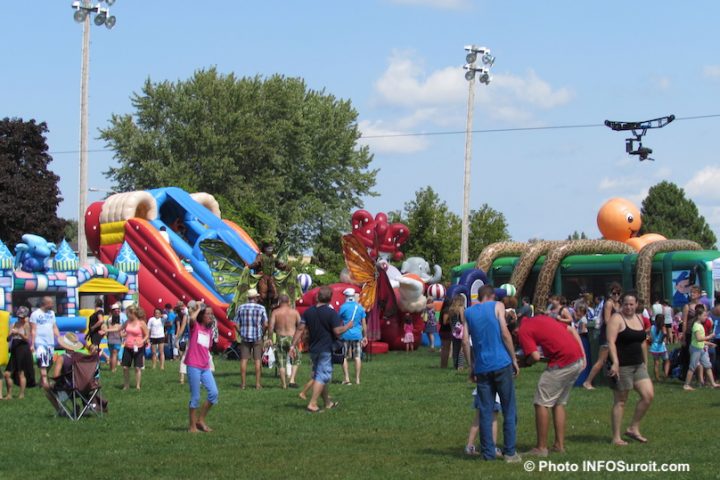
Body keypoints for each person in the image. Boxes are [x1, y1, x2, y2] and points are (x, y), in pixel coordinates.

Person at [462, 285, 521, 463]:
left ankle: (488, 454)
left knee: (486, 411)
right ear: (492, 295)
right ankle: (510, 452)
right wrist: (514, 359)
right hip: (501, 362)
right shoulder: (498, 306)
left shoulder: (467, 312)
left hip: (482, 366)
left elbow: (465, 341)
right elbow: (504, 333)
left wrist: (471, 366)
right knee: (508, 408)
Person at [517, 314, 585, 456]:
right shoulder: (542, 318)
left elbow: (534, 356)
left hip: (563, 362)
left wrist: (523, 363)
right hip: (576, 359)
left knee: (541, 403)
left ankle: (541, 448)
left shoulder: (523, 329)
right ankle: (559, 445)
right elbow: (571, 330)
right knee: (558, 402)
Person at [290, 286, 354, 413]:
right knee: (323, 375)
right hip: (326, 348)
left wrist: (292, 345)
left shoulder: (308, 312)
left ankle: (327, 403)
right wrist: (347, 326)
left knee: (319, 374)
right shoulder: (331, 313)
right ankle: (312, 404)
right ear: (330, 299)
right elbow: (337, 331)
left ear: (317, 297)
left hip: (313, 349)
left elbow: (300, 329)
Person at [606, 290, 654, 445]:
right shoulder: (616, 318)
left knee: (648, 395)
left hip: (638, 364)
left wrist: (645, 363)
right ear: (622, 304)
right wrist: (615, 362)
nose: (628, 307)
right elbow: (611, 342)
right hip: (622, 366)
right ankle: (616, 437)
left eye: (631, 304)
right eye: (625, 304)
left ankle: (633, 427)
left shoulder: (640, 318)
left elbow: (642, 342)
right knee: (621, 400)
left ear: (637, 305)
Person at [184, 301, 219, 433]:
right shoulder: (195, 327)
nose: (211, 316)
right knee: (196, 397)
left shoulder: (209, 330)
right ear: (202, 315)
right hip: (193, 365)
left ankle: (200, 420)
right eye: (208, 314)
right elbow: (192, 318)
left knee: (214, 393)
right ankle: (192, 427)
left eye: (212, 314)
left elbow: (206, 348)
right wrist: (198, 308)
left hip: (205, 366)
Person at [583, 283, 622, 390]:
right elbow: (607, 320)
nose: (616, 295)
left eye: (618, 293)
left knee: (617, 359)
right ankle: (587, 382)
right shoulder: (609, 304)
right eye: (614, 293)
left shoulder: (618, 304)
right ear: (610, 293)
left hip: (617, 336)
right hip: (607, 336)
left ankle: (617, 381)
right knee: (601, 361)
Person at [234, 288, 268, 390]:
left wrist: (241, 332)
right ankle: (258, 384)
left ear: (248, 297)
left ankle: (243, 384)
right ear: (256, 297)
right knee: (257, 360)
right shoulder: (261, 308)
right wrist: (263, 333)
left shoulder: (241, 307)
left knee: (244, 360)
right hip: (257, 336)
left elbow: (235, 324)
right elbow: (265, 324)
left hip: (244, 337)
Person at [268, 294, 302, 389]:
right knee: (296, 359)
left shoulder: (275, 312)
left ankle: (283, 384)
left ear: (279, 302)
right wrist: (300, 337)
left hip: (280, 338)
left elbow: (271, 326)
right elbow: (300, 325)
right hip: (292, 338)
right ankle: (292, 379)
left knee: (281, 361)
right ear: (288, 302)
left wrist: (270, 338)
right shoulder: (294, 312)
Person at [683, 304, 719, 390]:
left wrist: (709, 344)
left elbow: (700, 340)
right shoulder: (696, 326)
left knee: (708, 365)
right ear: (699, 316)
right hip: (696, 349)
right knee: (692, 366)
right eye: (704, 316)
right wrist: (710, 337)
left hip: (701, 348)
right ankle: (686, 385)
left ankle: (713, 383)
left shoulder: (700, 325)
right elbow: (699, 339)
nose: (706, 317)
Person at [3, 306, 35, 399]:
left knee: (21, 373)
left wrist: (19, 333)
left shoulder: (26, 325)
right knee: (7, 374)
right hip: (15, 349)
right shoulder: (13, 324)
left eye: (22, 317)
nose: (20, 319)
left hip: (23, 349)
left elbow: (27, 338)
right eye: (19, 317)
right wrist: (11, 334)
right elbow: (7, 339)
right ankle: (9, 394)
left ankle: (21, 394)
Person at [29, 296, 60, 389]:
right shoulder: (35, 314)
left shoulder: (51, 314)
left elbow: (54, 327)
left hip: (50, 342)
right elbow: (33, 330)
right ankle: (45, 383)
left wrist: (60, 338)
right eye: (50, 303)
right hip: (40, 342)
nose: (52, 304)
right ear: (45, 303)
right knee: (43, 362)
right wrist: (32, 344)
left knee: (49, 363)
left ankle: (41, 382)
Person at [338, 289, 367, 385]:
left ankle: (347, 378)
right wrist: (365, 336)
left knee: (344, 357)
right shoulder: (360, 308)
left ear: (345, 296)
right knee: (357, 357)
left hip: (345, 334)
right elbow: (364, 324)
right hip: (357, 335)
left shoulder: (343, 307)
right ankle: (357, 379)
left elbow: (338, 321)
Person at [121, 306, 149, 390]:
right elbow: (121, 329)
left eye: (128, 313)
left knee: (137, 367)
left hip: (138, 347)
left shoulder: (141, 323)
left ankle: (137, 386)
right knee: (125, 367)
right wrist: (122, 334)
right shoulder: (127, 322)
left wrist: (142, 341)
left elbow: (147, 334)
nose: (127, 315)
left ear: (133, 313)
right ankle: (126, 385)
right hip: (128, 346)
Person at [444, 296, 471, 370]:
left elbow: (450, 321)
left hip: (454, 331)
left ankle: (455, 365)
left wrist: (453, 328)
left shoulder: (451, 309)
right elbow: (462, 319)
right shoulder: (461, 308)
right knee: (462, 349)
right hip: (461, 330)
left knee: (455, 348)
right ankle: (460, 366)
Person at [87, 298, 110, 364]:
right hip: (94, 332)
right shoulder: (97, 312)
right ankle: (96, 360)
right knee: (94, 346)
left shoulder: (99, 312)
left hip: (96, 332)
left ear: (95, 304)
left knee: (94, 347)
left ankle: (94, 361)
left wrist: (93, 327)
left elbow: (101, 321)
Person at [105, 303, 126, 372]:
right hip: (117, 339)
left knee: (112, 354)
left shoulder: (109, 319)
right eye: (117, 311)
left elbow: (108, 328)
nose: (117, 312)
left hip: (110, 339)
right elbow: (118, 329)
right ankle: (113, 369)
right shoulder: (118, 318)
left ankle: (112, 368)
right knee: (114, 355)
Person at [649, 314, 669, 381]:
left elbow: (651, 337)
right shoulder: (663, 327)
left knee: (656, 363)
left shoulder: (652, 327)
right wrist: (662, 339)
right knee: (666, 361)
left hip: (654, 346)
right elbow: (665, 333)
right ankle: (666, 375)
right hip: (661, 347)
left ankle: (657, 378)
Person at [438, 297, 453, 368]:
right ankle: (443, 365)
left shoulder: (444, 310)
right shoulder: (446, 311)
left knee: (445, 348)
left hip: (444, 331)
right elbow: (445, 321)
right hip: (446, 331)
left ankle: (444, 364)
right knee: (446, 349)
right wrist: (452, 321)